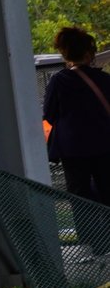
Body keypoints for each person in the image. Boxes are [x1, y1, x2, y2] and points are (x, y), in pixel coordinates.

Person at [42, 26, 110, 208]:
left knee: (79, 196)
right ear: (89, 53)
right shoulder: (105, 80)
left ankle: (88, 235)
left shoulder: (59, 81)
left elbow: (48, 114)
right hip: (104, 144)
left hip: (72, 149)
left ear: (65, 54)